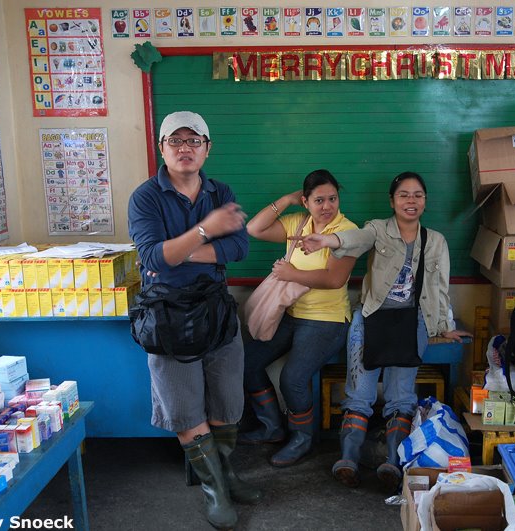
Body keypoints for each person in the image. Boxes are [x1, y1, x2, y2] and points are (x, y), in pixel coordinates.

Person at [299, 172, 472, 491]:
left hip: (412, 323)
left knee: (402, 397)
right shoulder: (378, 229)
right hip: (371, 320)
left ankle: (393, 462)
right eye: (403, 195)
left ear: (425, 201)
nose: (411, 201)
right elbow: (357, 238)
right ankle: (348, 460)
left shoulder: (435, 241)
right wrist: (328, 240)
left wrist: (444, 327)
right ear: (392, 201)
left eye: (418, 195)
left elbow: (439, 288)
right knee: (359, 394)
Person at [128, 111, 259, 530]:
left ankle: (226, 474)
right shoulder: (145, 197)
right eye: (175, 140)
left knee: (227, 400)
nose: (185, 148)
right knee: (184, 408)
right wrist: (206, 231)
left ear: (207, 148)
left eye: (194, 140)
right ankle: (214, 490)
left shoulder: (221, 191)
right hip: (166, 314)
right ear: (162, 148)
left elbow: (239, 248)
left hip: (215, 308)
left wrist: (181, 251)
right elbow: (152, 257)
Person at [242, 170, 358, 467]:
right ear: (305, 201)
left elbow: (334, 279)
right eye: (318, 200)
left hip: (328, 320)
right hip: (291, 314)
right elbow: (254, 228)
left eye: (332, 199)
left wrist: (291, 274)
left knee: (292, 378)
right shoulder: (298, 222)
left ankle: (302, 438)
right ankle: (272, 427)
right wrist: (286, 200)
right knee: (247, 363)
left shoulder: (346, 231)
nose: (327, 206)